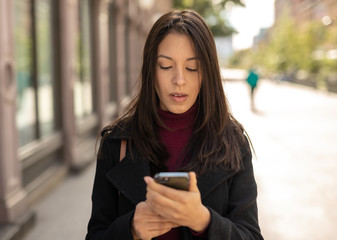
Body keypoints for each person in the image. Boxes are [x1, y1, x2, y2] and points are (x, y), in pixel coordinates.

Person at [86, 10, 263, 240]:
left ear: (207, 73)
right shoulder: (116, 143)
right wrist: (130, 229)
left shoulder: (232, 142)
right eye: (166, 66)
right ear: (151, 70)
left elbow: (251, 235)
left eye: (192, 68)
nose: (179, 80)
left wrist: (203, 221)